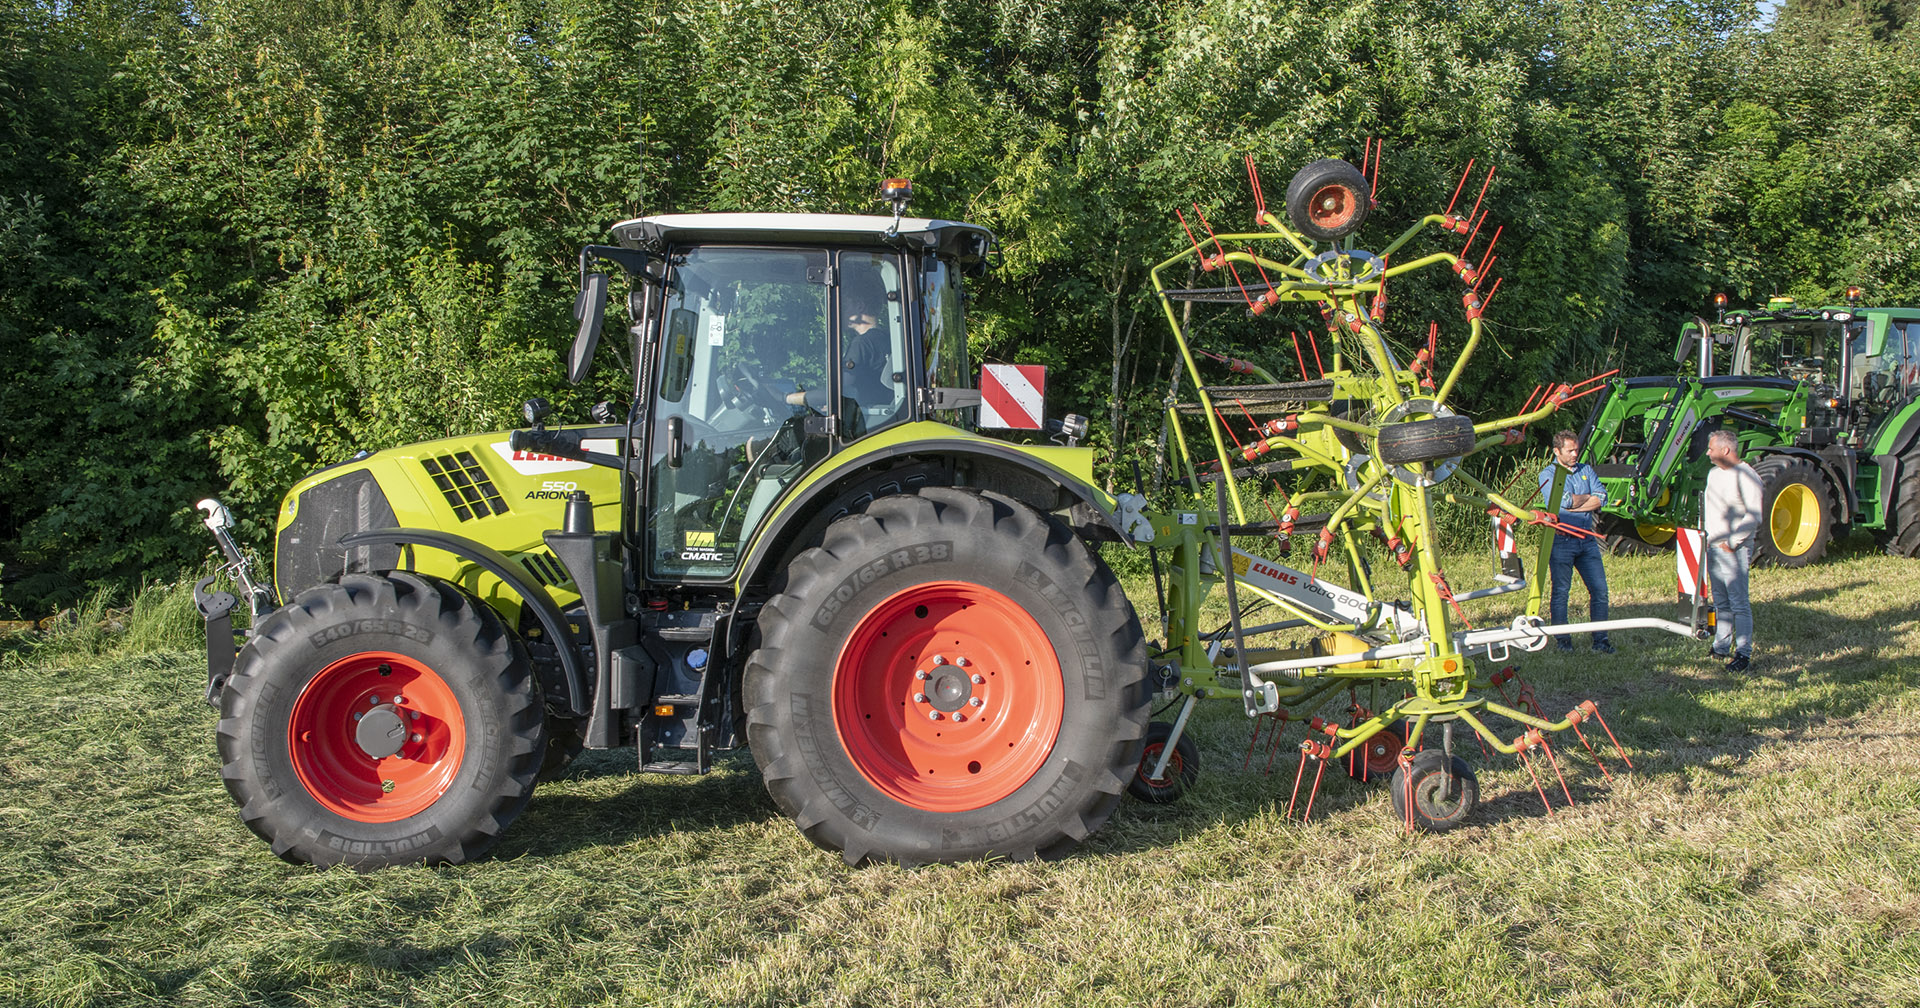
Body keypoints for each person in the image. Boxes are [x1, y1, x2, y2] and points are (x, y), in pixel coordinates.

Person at [1538, 429, 1612, 653]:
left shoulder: (1586, 470)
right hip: (1562, 541)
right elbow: (1564, 502)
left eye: (1576, 450)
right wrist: (1585, 499)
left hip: (1587, 541)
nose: (1574, 455)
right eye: (1570, 451)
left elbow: (1602, 498)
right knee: (1561, 592)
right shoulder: (1548, 474)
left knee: (1600, 591)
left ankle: (1601, 641)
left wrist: (1578, 502)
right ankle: (1563, 642)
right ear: (1557, 451)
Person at [1703, 429, 1762, 671]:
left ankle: (1743, 653)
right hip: (1713, 546)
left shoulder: (1746, 476)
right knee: (1720, 601)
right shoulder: (1714, 474)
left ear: (1725, 450)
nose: (1707, 453)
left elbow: (1754, 513)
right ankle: (1720, 646)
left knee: (1738, 602)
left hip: (1733, 550)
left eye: (1711, 448)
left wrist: (1734, 542)